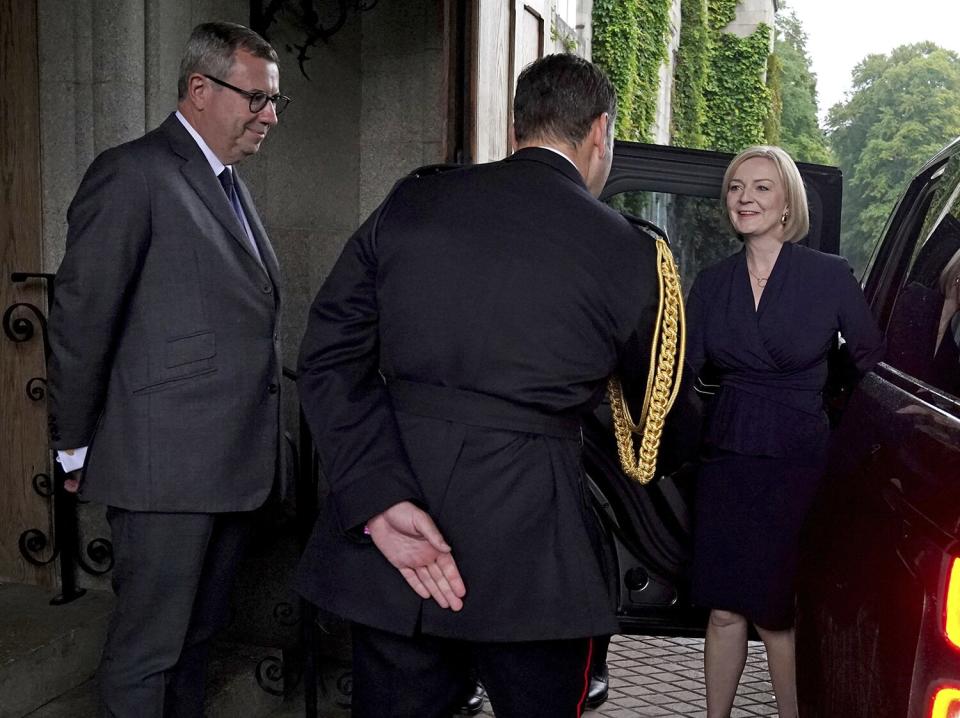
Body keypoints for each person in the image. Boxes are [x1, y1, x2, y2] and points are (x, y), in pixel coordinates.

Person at [295, 53, 665, 717]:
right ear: (600, 132)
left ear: (516, 125)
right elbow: (659, 413)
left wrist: (377, 499)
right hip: (536, 556)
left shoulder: (415, 198)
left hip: (395, 541)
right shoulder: (630, 250)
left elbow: (327, 356)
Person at [45, 21, 287, 717]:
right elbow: (82, 316)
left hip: (230, 466)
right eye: (257, 99)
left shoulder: (229, 184)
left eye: (275, 102)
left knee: (197, 642)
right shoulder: (133, 172)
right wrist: (73, 442)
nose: (269, 116)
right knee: (147, 652)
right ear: (200, 89)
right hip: (164, 471)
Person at [683, 145, 884, 717]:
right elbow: (682, 372)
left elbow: (869, 359)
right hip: (727, 455)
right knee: (722, 609)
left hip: (798, 459)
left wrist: (830, 411)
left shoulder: (829, 275)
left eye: (761, 187)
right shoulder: (713, 283)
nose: (745, 197)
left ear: (787, 202)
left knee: (776, 613)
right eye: (735, 187)